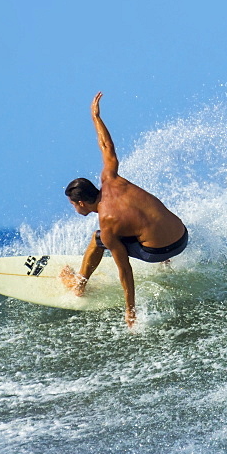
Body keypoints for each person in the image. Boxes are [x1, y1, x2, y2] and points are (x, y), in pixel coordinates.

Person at [60, 92, 188, 327]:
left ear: (81, 203)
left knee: (98, 239)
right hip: (182, 236)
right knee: (141, 219)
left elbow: (125, 271)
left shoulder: (108, 224)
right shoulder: (110, 178)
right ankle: (167, 265)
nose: (73, 208)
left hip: (158, 251)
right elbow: (106, 146)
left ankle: (79, 285)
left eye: (72, 205)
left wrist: (130, 311)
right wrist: (96, 117)